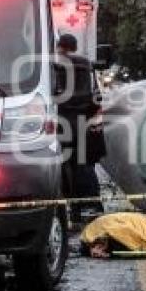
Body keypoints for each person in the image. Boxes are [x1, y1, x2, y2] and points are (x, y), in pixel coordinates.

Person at [56, 34, 105, 222]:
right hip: (84, 123)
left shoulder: (54, 64)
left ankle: (72, 208)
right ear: (74, 47)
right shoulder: (86, 65)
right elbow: (96, 97)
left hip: (62, 122)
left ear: (59, 46)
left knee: (64, 167)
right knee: (85, 166)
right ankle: (92, 205)